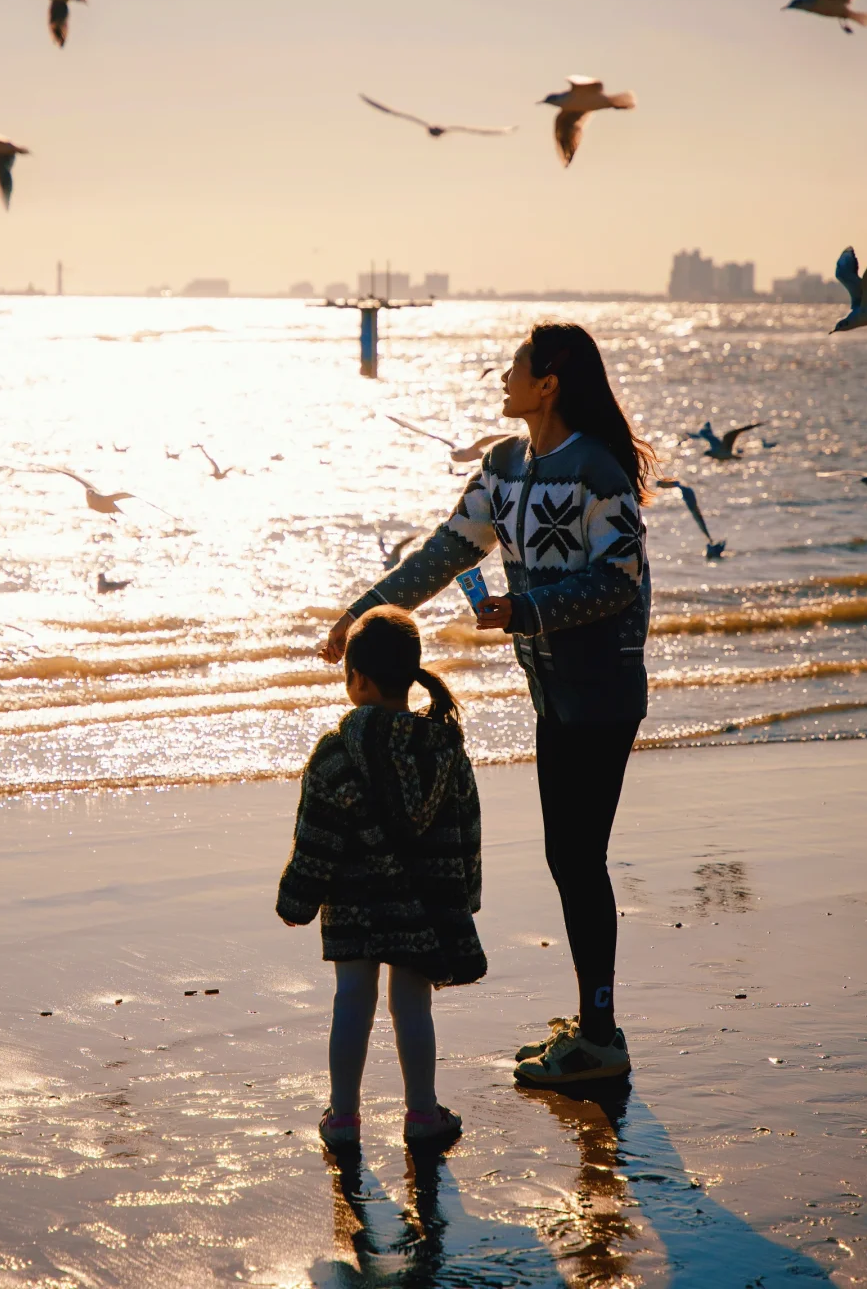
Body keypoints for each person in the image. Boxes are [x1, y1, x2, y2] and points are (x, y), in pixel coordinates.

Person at [322, 322, 654, 1088]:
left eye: (514, 368)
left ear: (549, 385)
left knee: (579, 859)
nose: (502, 379)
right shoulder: (505, 466)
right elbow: (443, 554)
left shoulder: (597, 471)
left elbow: (619, 580)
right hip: (552, 692)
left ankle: (601, 1036)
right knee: (565, 857)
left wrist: (524, 611)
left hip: (603, 690)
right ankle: (595, 1027)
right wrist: (360, 614)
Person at [277, 605, 486, 1149]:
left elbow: (314, 837)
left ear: (358, 680)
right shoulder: (444, 748)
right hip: (424, 901)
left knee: (352, 999)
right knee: (412, 1004)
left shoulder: (335, 752)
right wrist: (467, 891)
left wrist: (297, 898)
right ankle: (422, 1114)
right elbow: (468, 825)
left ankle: (343, 1119)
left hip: (352, 901)